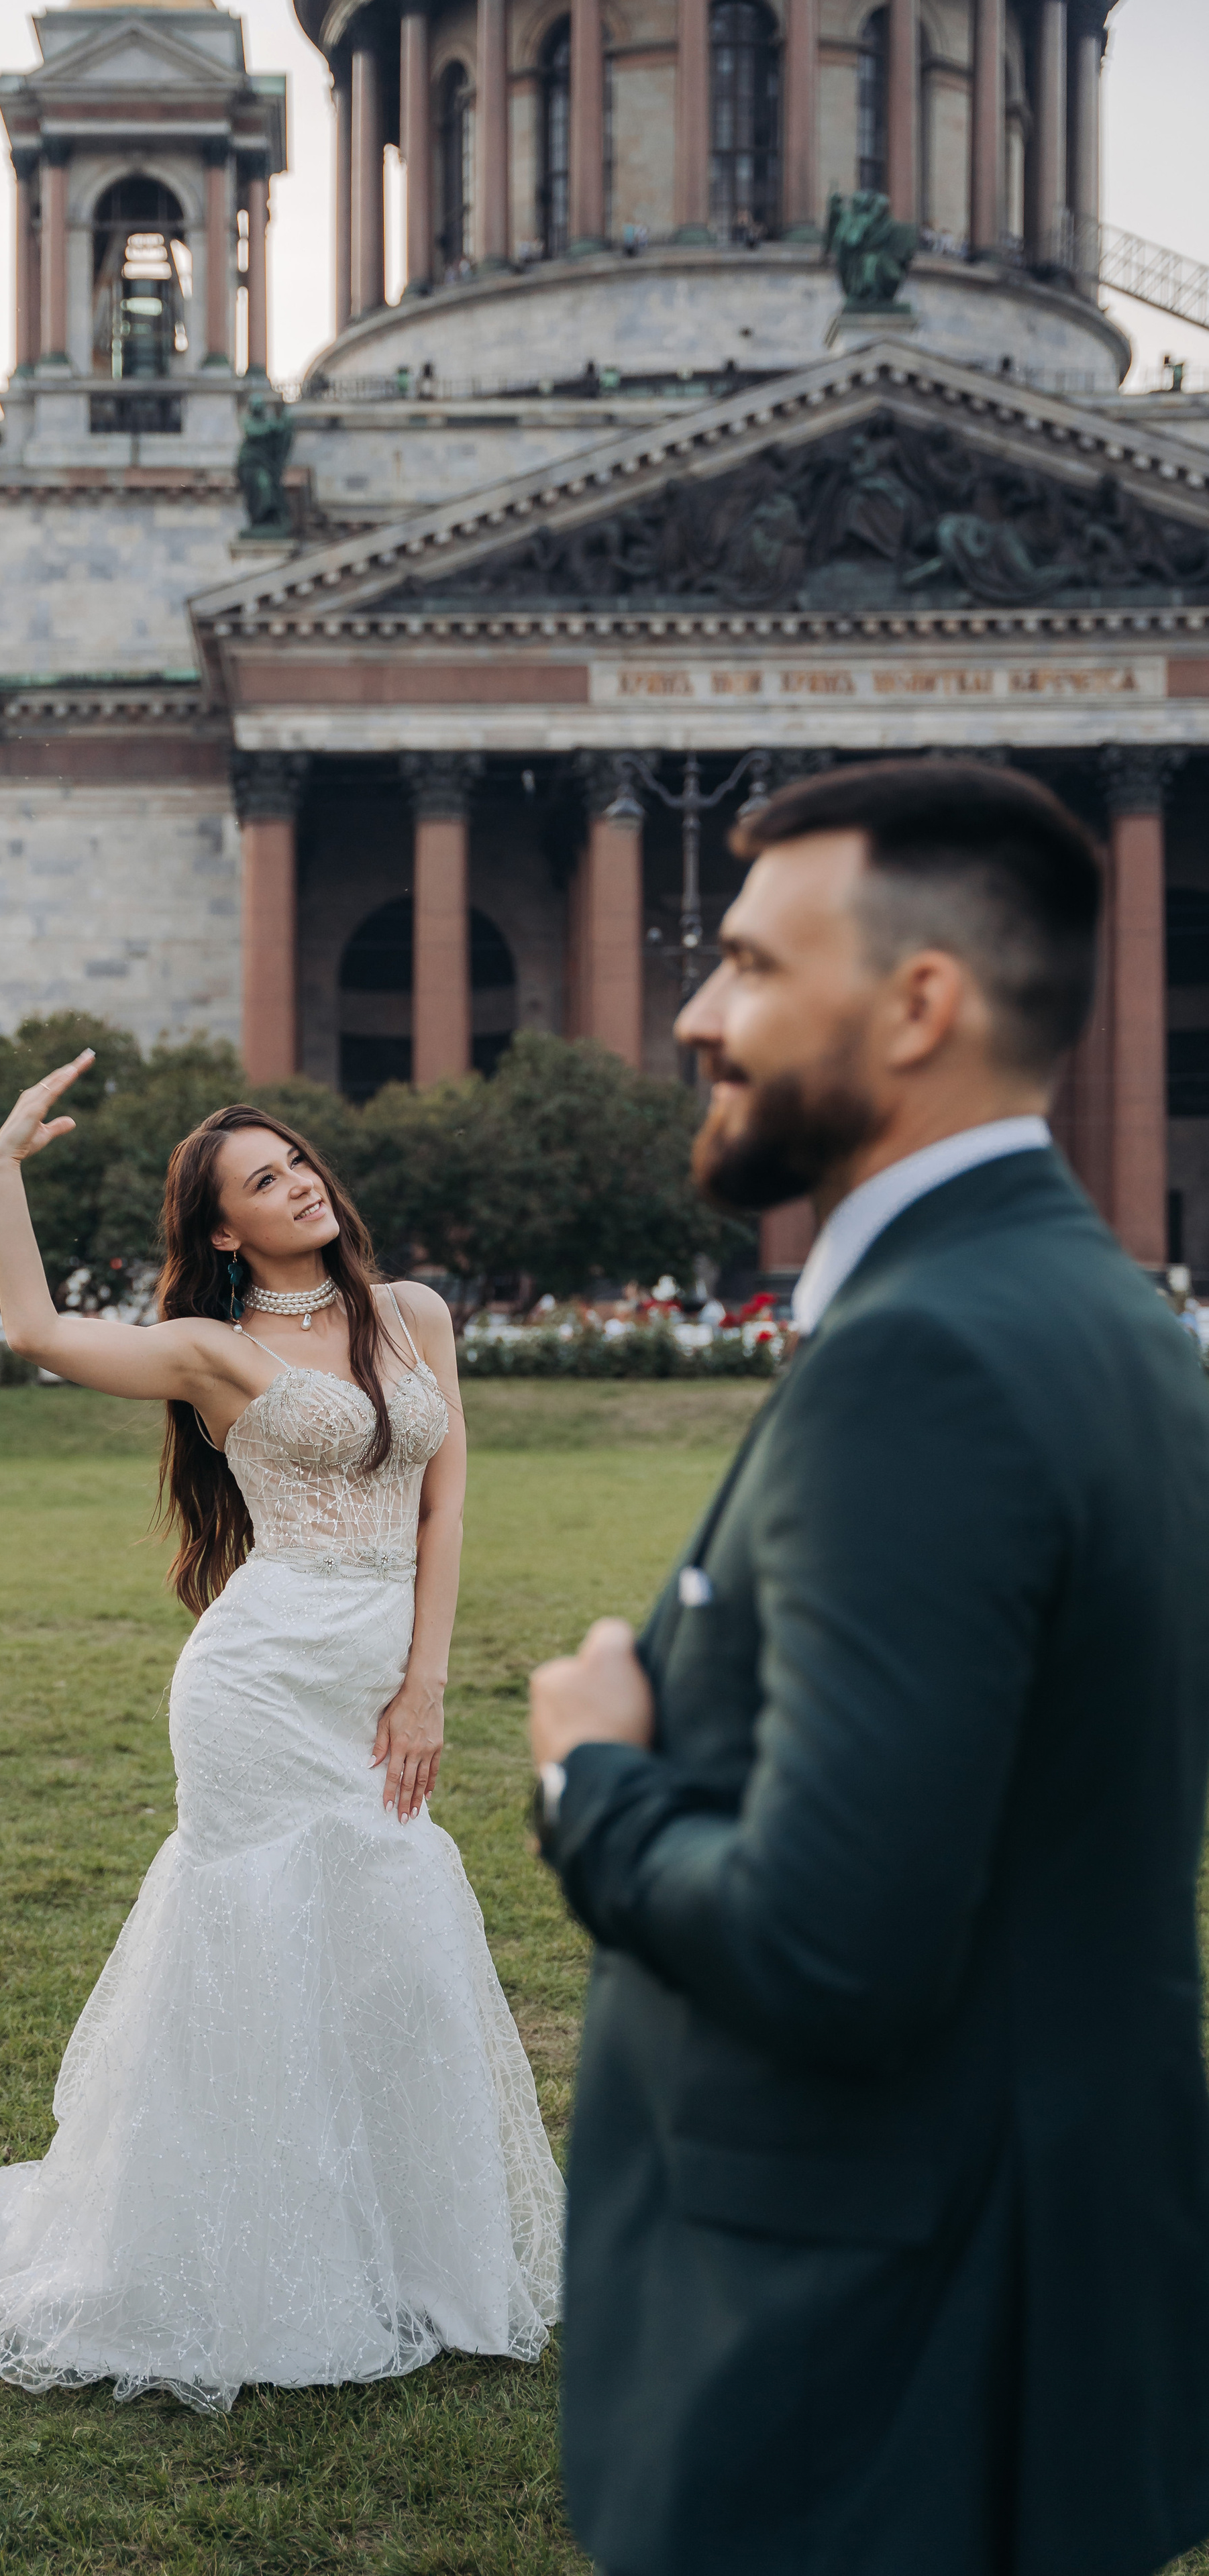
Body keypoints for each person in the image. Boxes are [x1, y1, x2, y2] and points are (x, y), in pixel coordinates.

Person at [527, 760, 1209, 2576]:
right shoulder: (1113, 1320)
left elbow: (833, 1944)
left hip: (861, 2375)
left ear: (920, 1005)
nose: (692, 1013)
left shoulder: (928, 1365)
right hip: (1027, 2329)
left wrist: (594, 1781)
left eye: (749, 963)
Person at [0, 1081, 562, 2409]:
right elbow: (36, 1329)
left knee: (394, 1952)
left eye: (297, 1160)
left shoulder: (412, 1314)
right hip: (255, 1682)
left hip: (373, 1679)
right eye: (261, 1181)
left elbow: (445, 1500)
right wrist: (3, 1166)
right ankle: (248, 2268)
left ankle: (409, 2251)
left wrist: (427, 1685)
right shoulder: (213, 1349)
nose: (297, 1182)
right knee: (254, 1960)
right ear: (225, 1232)